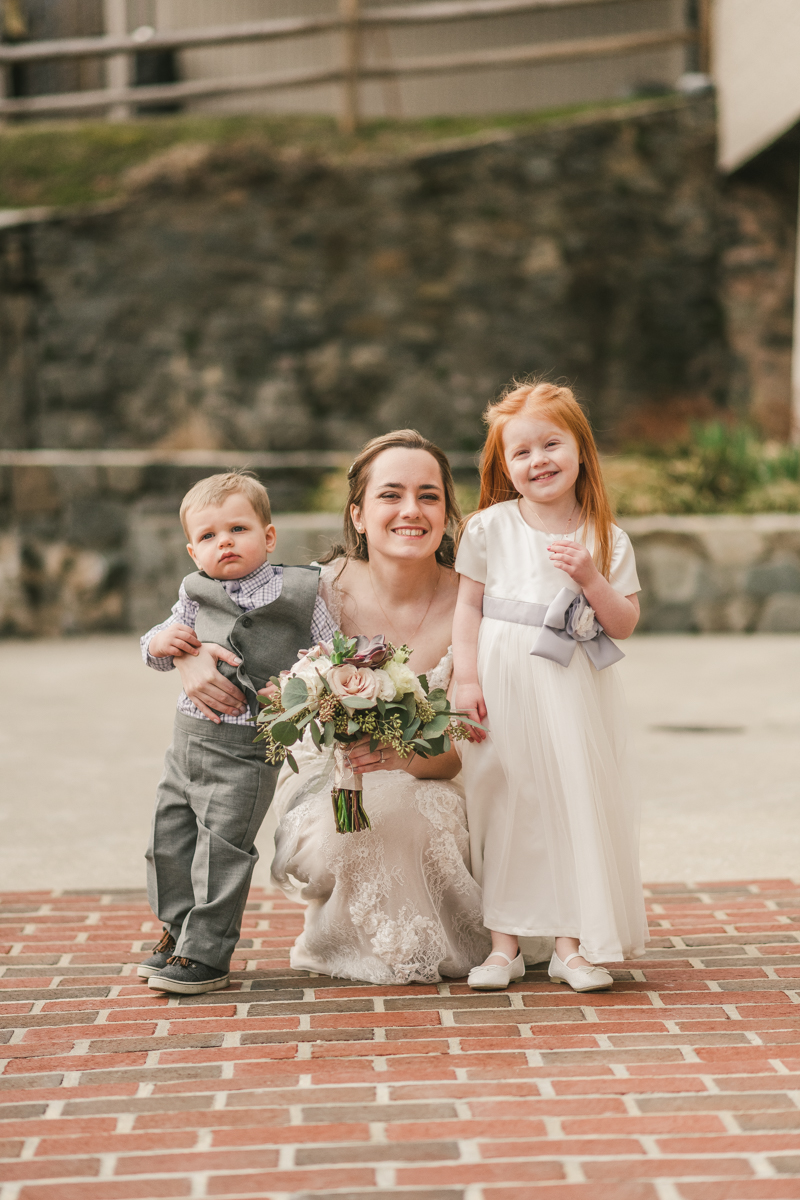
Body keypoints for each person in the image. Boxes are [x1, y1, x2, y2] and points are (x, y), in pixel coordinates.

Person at [269, 431, 546, 984]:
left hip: (447, 776)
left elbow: (469, 747)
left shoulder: (478, 603)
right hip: (333, 780)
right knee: (353, 823)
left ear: (447, 513)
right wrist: (188, 660)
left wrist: (399, 757)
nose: (411, 511)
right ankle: (345, 933)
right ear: (358, 513)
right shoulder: (315, 593)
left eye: (429, 496)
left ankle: (458, 943)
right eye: (390, 495)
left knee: (411, 811)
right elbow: (214, 611)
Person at [453, 380, 649, 993]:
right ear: (503, 466)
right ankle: (503, 945)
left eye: (551, 444)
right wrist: (464, 677)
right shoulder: (489, 528)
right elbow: (468, 610)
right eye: (521, 452)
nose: (538, 460)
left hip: (570, 689)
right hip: (503, 683)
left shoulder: (607, 536)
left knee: (569, 799)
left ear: (581, 450)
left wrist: (591, 576)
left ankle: (571, 944)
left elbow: (623, 623)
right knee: (504, 799)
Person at [138, 471, 336, 995]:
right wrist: (162, 641)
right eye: (208, 536)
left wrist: (306, 682)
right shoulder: (194, 593)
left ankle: (207, 953)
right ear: (192, 551)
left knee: (223, 847)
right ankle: (178, 931)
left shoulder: (300, 591)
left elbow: (331, 650)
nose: (223, 542)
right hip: (186, 742)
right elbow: (156, 650)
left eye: (237, 529)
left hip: (249, 748)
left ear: (268, 537)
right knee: (169, 841)